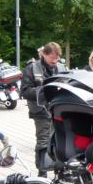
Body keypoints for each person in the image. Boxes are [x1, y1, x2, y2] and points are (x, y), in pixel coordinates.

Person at [21, 42, 65, 175]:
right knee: (43, 141)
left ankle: (59, 169)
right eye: (52, 57)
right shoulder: (32, 68)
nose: (55, 61)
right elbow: (24, 91)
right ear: (44, 54)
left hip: (59, 110)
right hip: (40, 111)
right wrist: (45, 91)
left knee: (59, 140)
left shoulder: (62, 67)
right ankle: (42, 172)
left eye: (57, 58)